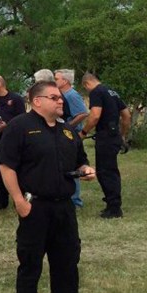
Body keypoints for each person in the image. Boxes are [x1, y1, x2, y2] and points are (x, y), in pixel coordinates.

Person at [0, 81, 96, 293]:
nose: (60, 101)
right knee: (30, 266)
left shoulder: (67, 131)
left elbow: (79, 160)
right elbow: (6, 166)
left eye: (60, 97)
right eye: (54, 97)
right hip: (34, 207)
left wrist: (85, 170)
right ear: (37, 101)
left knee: (67, 265)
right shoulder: (19, 127)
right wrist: (18, 200)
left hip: (64, 208)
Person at [80, 72, 131, 219]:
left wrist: (83, 132)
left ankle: (114, 207)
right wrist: (122, 135)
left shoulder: (96, 92)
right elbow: (126, 115)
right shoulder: (111, 91)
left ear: (86, 84)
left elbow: (95, 115)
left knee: (105, 172)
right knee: (111, 170)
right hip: (114, 135)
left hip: (105, 136)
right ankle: (112, 204)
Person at [0, 75, 27, 209]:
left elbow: (23, 120)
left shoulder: (15, 99)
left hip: (15, 139)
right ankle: (1, 200)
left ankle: (20, 199)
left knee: (18, 169)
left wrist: (7, 126)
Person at [54, 69, 89, 207]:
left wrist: (67, 126)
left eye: (56, 79)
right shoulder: (61, 94)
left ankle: (75, 201)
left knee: (73, 165)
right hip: (64, 134)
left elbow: (82, 114)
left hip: (71, 135)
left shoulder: (71, 95)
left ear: (65, 81)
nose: (54, 81)